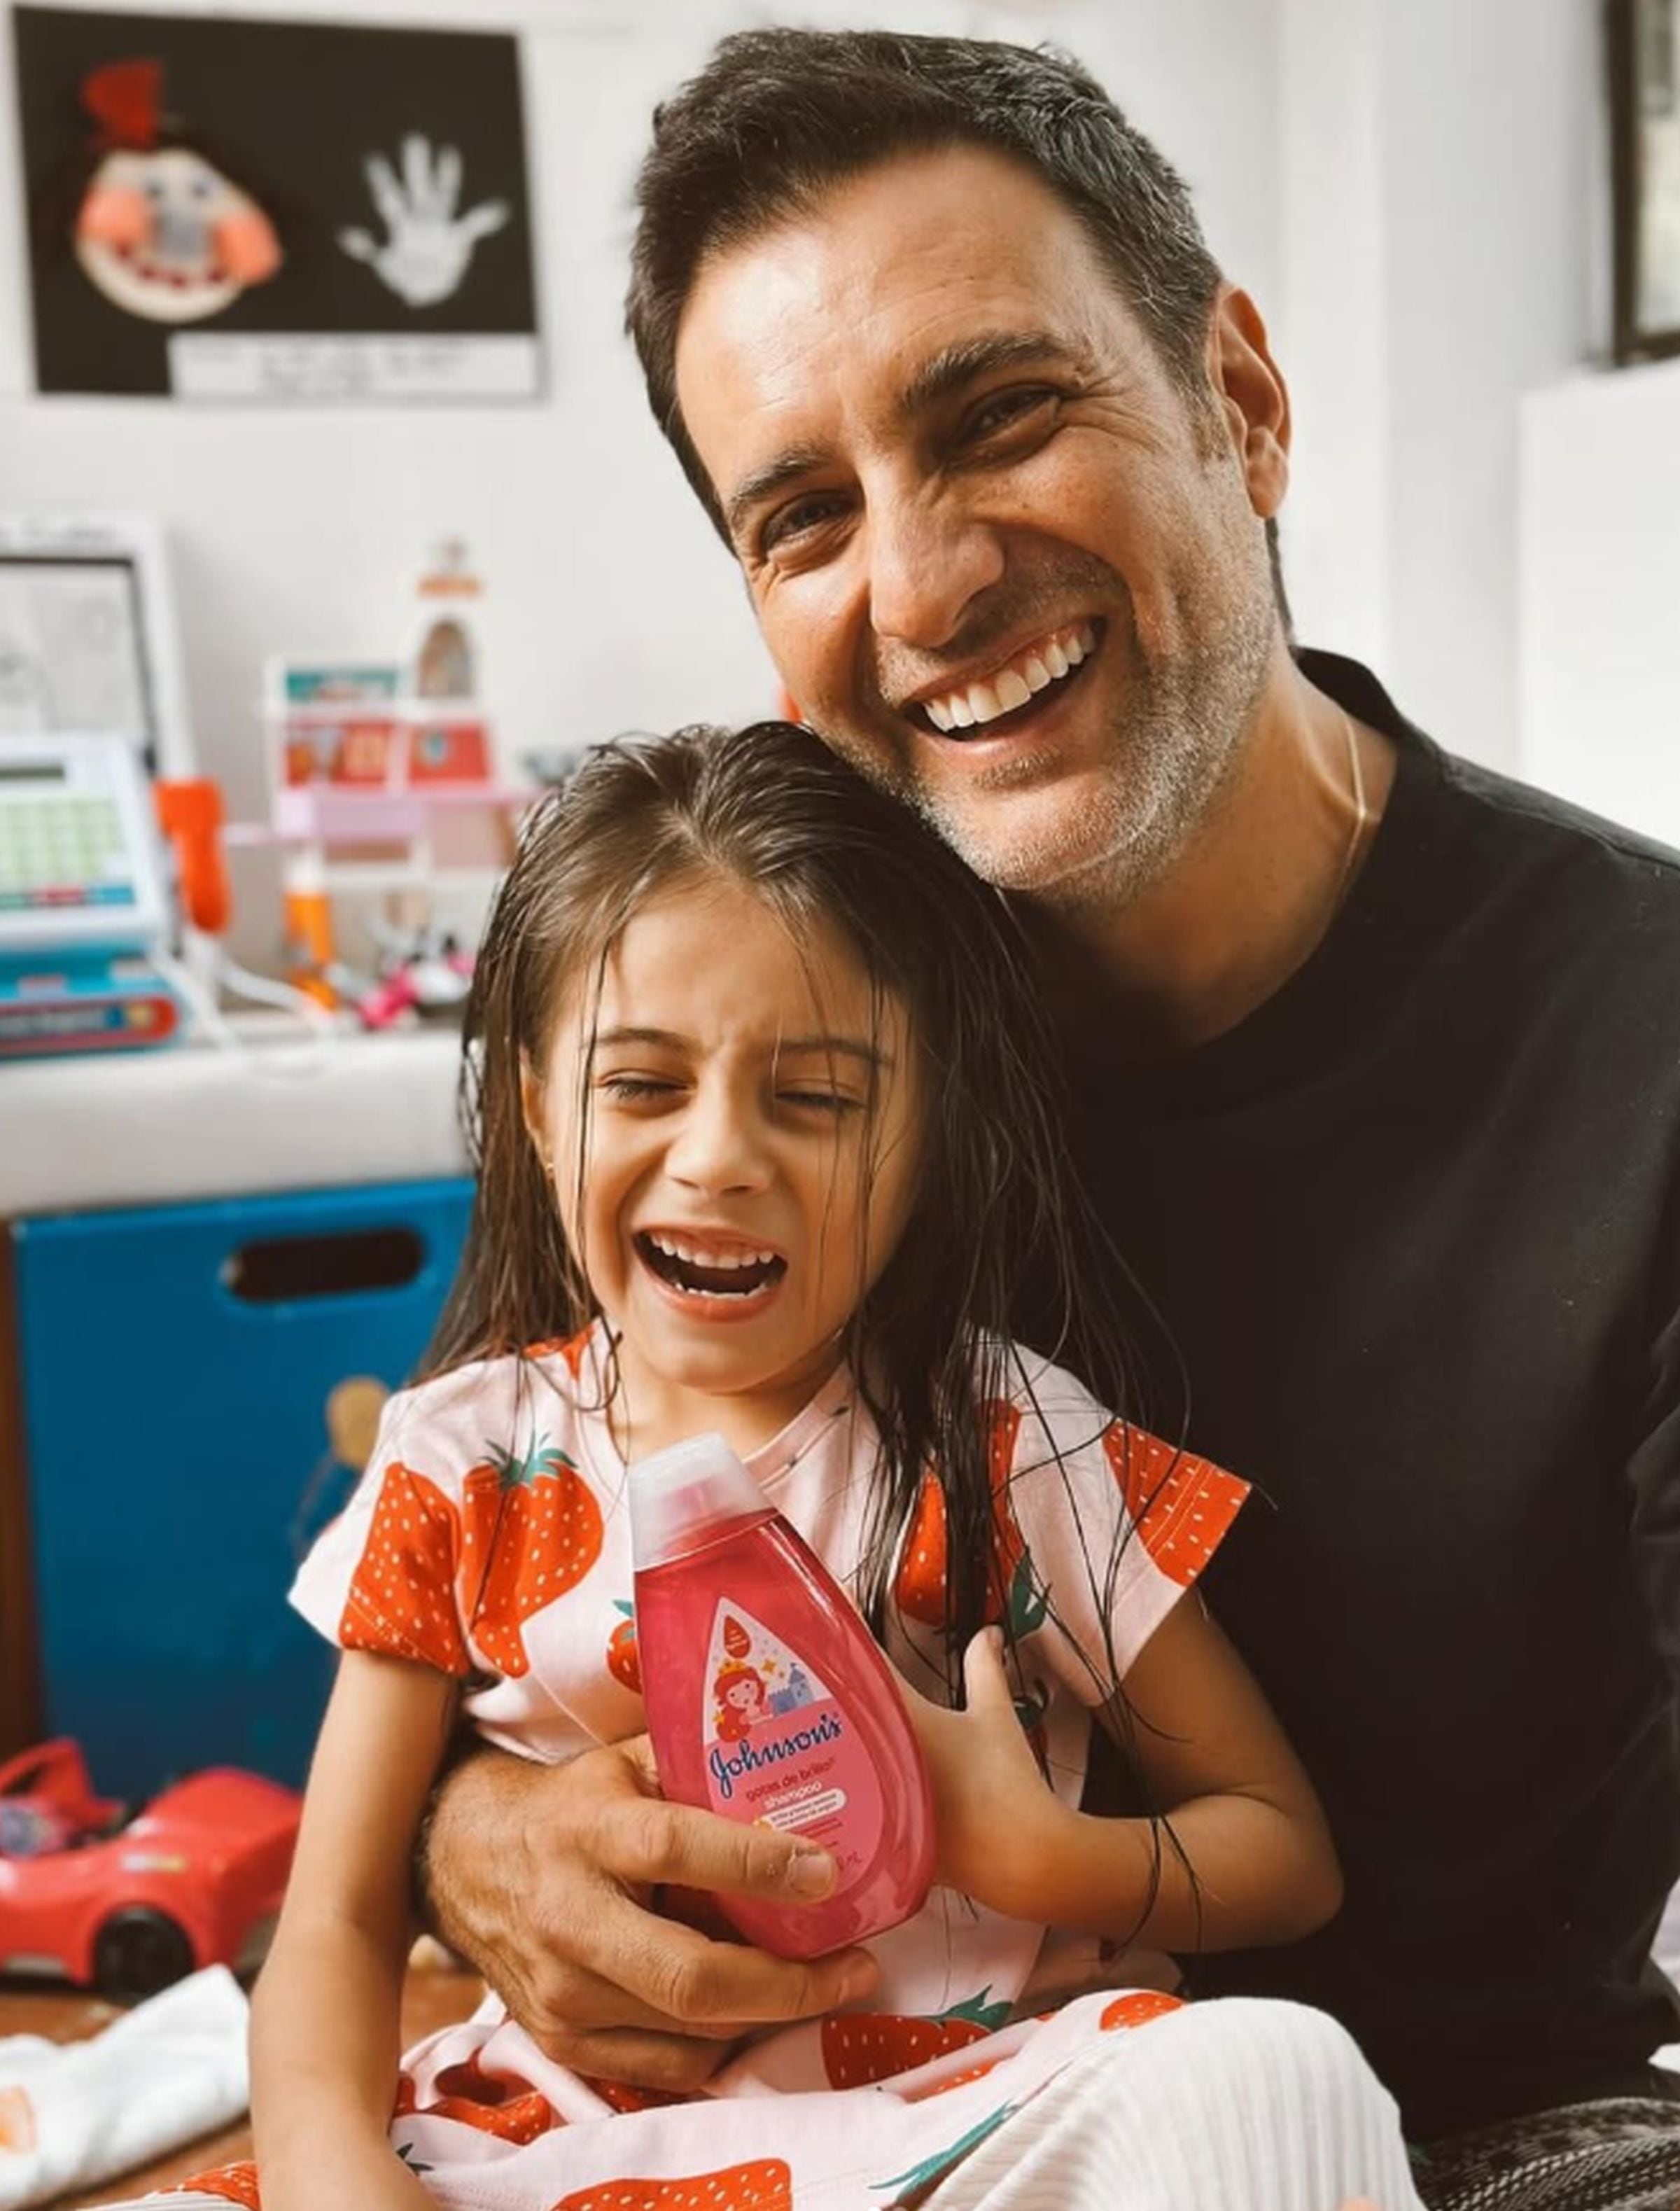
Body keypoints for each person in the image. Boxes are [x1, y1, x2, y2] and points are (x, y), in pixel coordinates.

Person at [414, 22, 1680, 2183]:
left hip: (1481, 2131)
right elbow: (453, 1640)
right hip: (836, 2119)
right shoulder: (749, 1036)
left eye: (999, 414)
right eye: (806, 516)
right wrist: (484, 1838)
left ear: (1240, 404)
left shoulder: (1640, 1030)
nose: (922, 588)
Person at [127, 722, 1417, 2211]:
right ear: (537, 1107)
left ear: (927, 1133)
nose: (720, 1157)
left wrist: (1037, 1854)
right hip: (576, 2152)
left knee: (1280, 2073)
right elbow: (337, 1923)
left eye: (815, 1098)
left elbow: (1283, 1854)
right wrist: (339, 2177)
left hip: (969, 2126)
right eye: (643, 1085)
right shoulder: (459, 1465)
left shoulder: (1014, 1439)